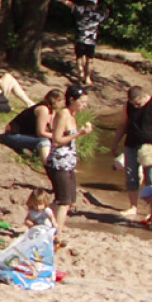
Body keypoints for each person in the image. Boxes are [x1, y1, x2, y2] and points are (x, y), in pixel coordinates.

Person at [121, 86, 152, 222]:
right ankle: (133, 206)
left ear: (144, 96)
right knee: (131, 176)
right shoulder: (128, 106)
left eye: (138, 104)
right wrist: (115, 143)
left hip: (151, 149)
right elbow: (122, 124)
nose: (136, 107)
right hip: (131, 145)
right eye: (133, 104)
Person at [45, 85, 85, 233]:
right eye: (82, 102)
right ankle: (57, 233)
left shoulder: (72, 116)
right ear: (72, 100)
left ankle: (42, 218)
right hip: (58, 163)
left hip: (68, 164)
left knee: (68, 200)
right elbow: (56, 140)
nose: (84, 106)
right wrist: (79, 133)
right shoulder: (63, 114)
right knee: (64, 201)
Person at [0, 88, 60, 164]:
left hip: (25, 134)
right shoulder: (43, 109)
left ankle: (60, 161)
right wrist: (56, 136)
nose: (63, 104)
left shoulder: (52, 111)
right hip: (12, 135)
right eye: (61, 101)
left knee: (56, 140)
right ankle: (48, 165)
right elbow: (41, 133)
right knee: (44, 141)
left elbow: (50, 129)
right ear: (55, 100)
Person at [56, 0, 107, 85]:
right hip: (91, 41)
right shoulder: (98, 14)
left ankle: (81, 74)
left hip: (80, 39)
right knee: (90, 60)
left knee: (79, 57)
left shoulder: (80, 10)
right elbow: (106, 13)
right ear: (95, 4)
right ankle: (87, 78)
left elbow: (70, 4)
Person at [0, 50, 34, 114]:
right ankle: (29, 102)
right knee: (8, 77)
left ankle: (29, 102)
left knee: (10, 79)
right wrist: (4, 90)